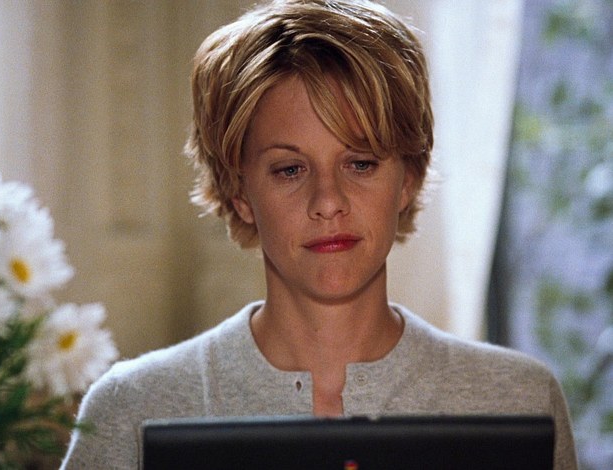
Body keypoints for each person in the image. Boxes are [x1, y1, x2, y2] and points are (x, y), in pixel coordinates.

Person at [60, 0, 577, 468]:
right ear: (239, 192)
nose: (328, 202)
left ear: (409, 177)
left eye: (360, 163)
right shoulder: (132, 409)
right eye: (290, 170)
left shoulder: (518, 399)